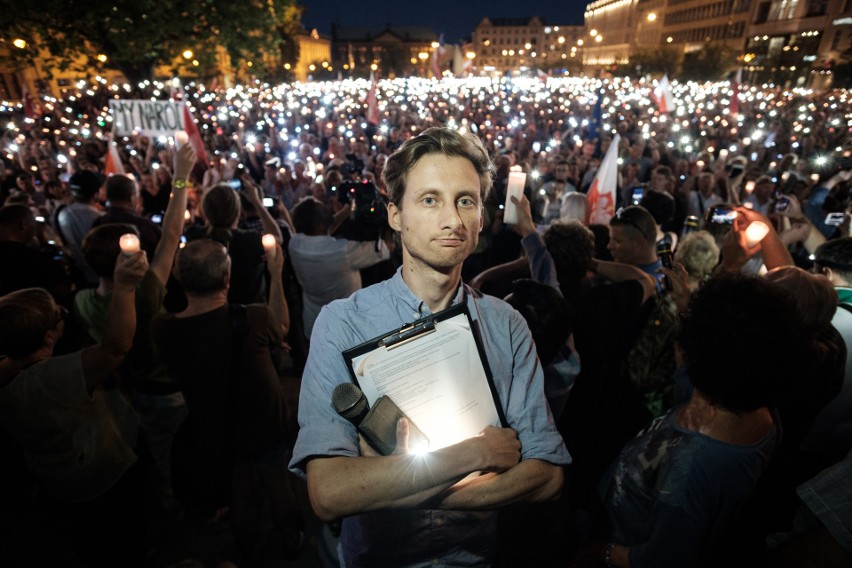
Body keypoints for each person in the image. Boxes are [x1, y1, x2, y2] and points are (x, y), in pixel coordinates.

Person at [289, 127, 569, 567]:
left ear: (481, 219)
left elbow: (547, 475)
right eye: (430, 199)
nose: (453, 220)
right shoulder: (343, 323)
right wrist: (475, 454)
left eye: (465, 200)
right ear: (395, 215)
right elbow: (329, 493)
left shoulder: (507, 325)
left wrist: (391, 483)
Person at [589, 274, 809, 568]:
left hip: (620, 541)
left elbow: (663, 559)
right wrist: (684, 304)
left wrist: (599, 553)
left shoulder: (692, 467)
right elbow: (687, 370)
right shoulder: (754, 404)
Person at [151, 238, 301, 562]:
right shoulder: (254, 319)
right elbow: (283, 327)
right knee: (278, 482)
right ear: (227, 278)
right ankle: (292, 542)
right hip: (266, 422)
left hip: (216, 428)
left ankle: (247, 549)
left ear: (178, 277)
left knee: (238, 492)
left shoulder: (163, 329)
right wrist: (276, 272)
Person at [0, 252, 149, 566]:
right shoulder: (47, 380)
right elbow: (116, 347)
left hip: (54, 481)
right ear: (50, 335)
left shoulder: (10, 376)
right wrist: (124, 286)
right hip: (96, 476)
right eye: (58, 315)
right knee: (115, 542)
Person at [287, 196, 390, 341]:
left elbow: (323, 231)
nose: (326, 204)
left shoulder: (295, 244)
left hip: (314, 324)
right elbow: (386, 247)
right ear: (318, 224)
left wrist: (347, 210)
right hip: (346, 329)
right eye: (321, 206)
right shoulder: (343, 252)